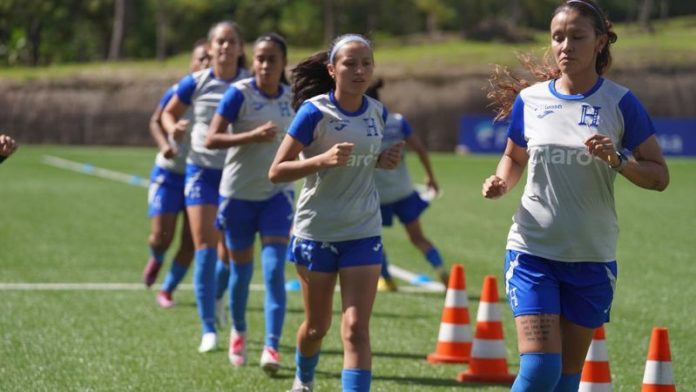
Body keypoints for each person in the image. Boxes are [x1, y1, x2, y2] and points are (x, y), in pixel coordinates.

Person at [482, 1, 669, 390]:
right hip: (533, 252)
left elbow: (659, 176)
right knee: (540, 372)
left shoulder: (620, 103)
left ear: (600, 42)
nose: (565, 45)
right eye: (557, 37)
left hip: (592, 257)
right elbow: (513, 157)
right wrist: (502, 180)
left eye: (577, 36)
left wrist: (618, 160)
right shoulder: (531, 100)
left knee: (567, 379)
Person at [269, 34, 404, 392]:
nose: (359, 70)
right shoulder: (314, 112)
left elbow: (361, 162)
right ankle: (304, 376)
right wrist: (320, 160)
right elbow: (276, 170)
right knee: (317, 327)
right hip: (317, 232)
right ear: (332, 69)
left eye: (366, 64)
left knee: (356, 329)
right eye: (350, 63)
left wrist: (382, 161)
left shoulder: (378, 112)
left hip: (363, 231)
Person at [205, 33, 294, 374]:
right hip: (238, 196)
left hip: (276, 197)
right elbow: (212, 138)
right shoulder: (238, 94)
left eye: (272, 58)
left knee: (273, 271)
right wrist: (251, 136)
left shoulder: (292, 99)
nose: (265, 65)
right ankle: (239, 332)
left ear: (283, 63)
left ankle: (271, 346)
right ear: (252, 61)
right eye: (260, 58)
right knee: (241, 273)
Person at [161, 20, 249, 353]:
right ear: (210, 48)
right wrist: (175, 128)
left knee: (230, 253)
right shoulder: (195, 82)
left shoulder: (249, 84)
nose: (225, 47)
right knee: (204, 247)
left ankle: (217, 298)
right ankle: (208, 329)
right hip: (200, 172)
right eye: (220, 42)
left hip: (237, 177)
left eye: (231, 42)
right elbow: (168, 113)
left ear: (240, 48)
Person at [142, 39, 210, 309]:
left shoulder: (222, 94)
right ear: (191, 63)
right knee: (161, 237)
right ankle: (156, 257)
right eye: (200, 58)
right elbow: (156, 120)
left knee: (191, 241)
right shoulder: (178, 91)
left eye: (209, 58)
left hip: (200, 176)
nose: (205, 63)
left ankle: (168, 289)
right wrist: (165, 145)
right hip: (169, 174)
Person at [364, 79, 448, 292]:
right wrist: (430, 177)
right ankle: (441, 270)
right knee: (418, 237)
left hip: (377, 195)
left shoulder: (362, 125)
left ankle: (386, 280)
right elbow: (420, 149)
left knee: (372, 239)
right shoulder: (397, 121)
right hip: (403, 191)